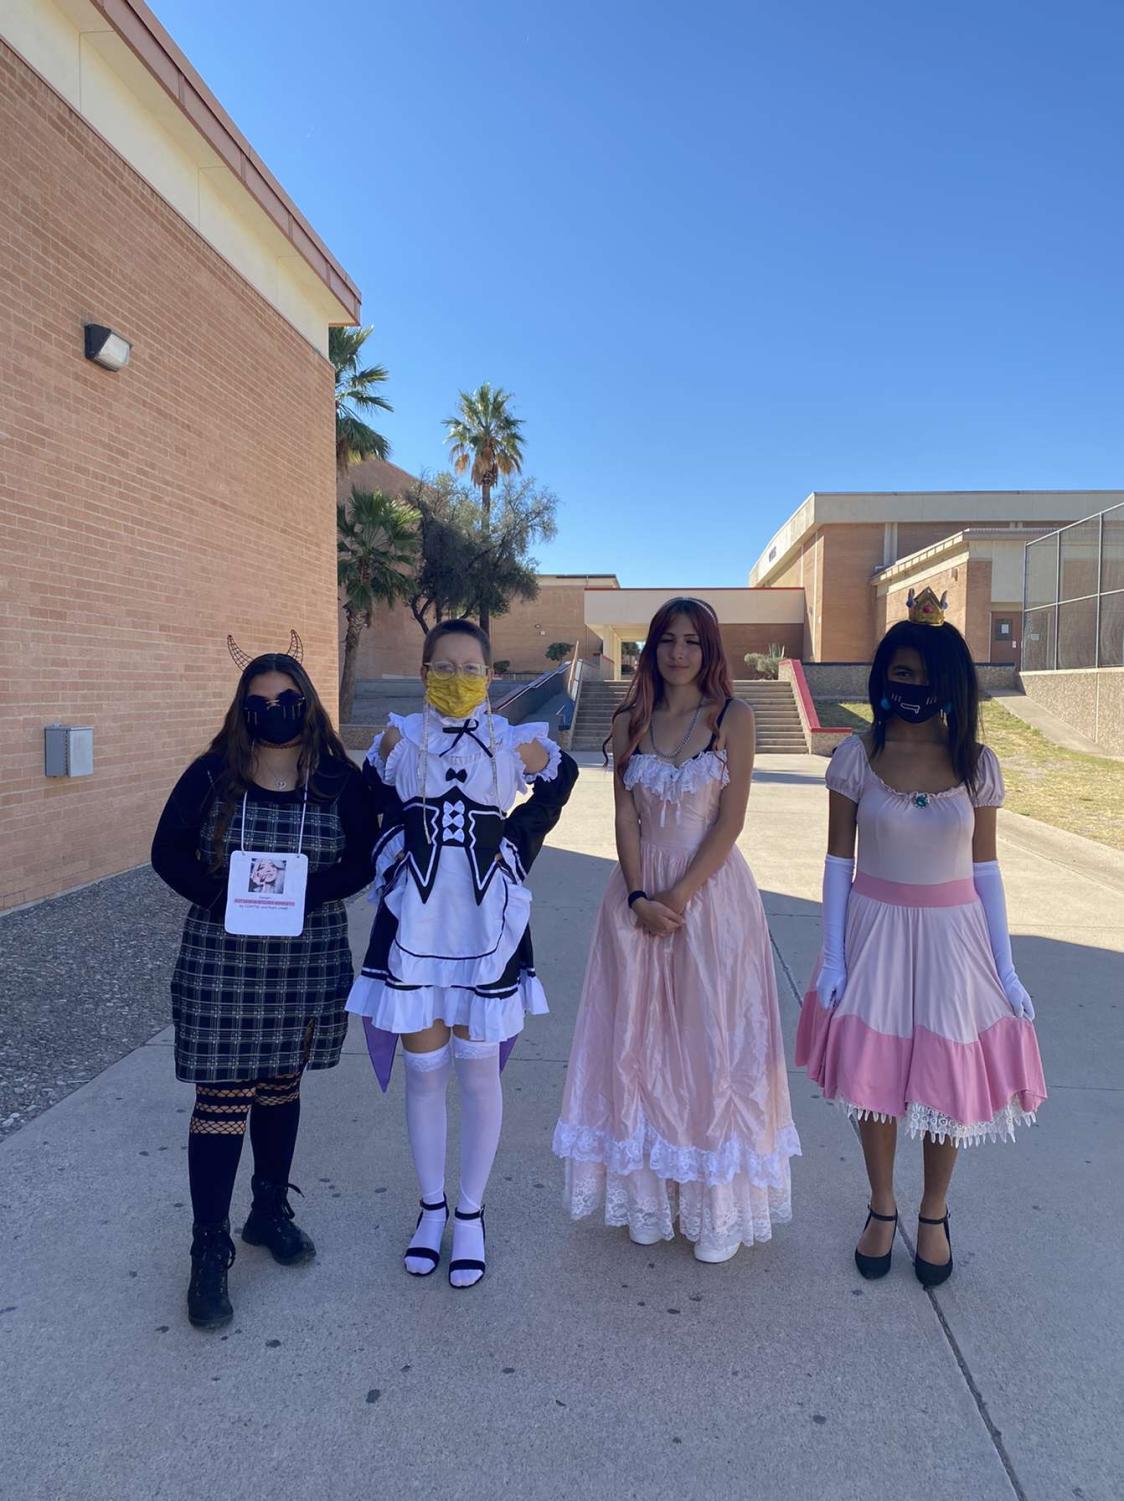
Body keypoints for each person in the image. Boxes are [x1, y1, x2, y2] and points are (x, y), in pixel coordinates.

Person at [795, 590, 1047, 1286]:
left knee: (943, 1081)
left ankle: (933, 1212)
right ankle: (882, 1205)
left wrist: (1007, 965)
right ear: (884, 679)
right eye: (899, 675)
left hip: (954, 939)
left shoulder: (975, 762)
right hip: (874, 932)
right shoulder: (856, 756)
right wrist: (835, 956)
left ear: (950, 684)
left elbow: (987, 869)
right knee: (876, 1082)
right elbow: (837, 862)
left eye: (924, 676)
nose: (911, 687)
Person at [553, 598, 800, 1263]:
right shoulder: (629, 717)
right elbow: (626, 818)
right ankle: (647, 1196)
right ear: (651, 647)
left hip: (710, 898)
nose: (679, 651)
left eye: (692, 640)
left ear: (709, 648)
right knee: (637, 1042)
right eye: (667, 639)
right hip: (634, 899)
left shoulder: (733, 718)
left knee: (707, 1044)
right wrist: (637, 895)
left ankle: (714, 1209)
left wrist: (678, 896)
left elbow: (731, 820)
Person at [152, 633, 377, 1329]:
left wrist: (304, 890)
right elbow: (166, 851)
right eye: (258, 702)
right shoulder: (212, 774)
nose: (274, 710)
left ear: (307, 702)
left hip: (304, 959)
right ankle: (208, 1247)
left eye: (286, 699)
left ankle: (268, 1209)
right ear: (240, 710)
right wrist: (224, 894)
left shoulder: (339, 779)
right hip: (222, 959)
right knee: (222, 1099)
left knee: (281, 1084)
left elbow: (365, 860)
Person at [347, 619, 578, 1288]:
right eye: (442, 666)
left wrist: (515, 844)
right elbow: (371, 799)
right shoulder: (397, 737)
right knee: (425, 1073)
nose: (456, 677)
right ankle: (430, 1208)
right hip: (415, 924)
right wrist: (395, 849)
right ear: (423, 672)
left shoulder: (513, 742)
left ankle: (470, 1213)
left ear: (488, 674)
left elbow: (558, 786)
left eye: (469, 666)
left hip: (486, 926)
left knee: (479, 1071)